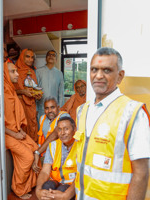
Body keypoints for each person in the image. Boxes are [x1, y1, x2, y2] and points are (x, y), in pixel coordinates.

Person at [74, 47, 150, 200]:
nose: (98, 76)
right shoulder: (82, 110)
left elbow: (141, 173)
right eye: (94, 69)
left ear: (120, 76)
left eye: (107, 70)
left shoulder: (133, 113)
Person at [4, 60, 38, 199]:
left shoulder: (10, 88)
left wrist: (19, 131)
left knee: (35, 147)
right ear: (5, 73)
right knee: (28, 156)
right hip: (6, 135)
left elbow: (13, 116)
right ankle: (18, 189)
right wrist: (14, 134)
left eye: (17, 70)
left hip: (15, 132)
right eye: (13, 71)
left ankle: (28, 185)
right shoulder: (3, 92)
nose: (17, 74)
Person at [36, 117, 76, 200]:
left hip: (73, 184)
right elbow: (45, 171)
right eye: (59, 129)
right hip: (56, 181)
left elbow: (82, 176)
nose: (62, 133)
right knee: (46, 188)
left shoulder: (81, 145)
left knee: (62, 190)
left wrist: (65, 195)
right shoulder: (53, 145)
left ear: (74, 129)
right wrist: (38, 190)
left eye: (66, 129)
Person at [32, 96, 70, 173]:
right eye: (47, 108)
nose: (50, 111)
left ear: (58, 107)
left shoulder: (64, 116)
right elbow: (41, 137)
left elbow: (56, 133)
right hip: (47, 154)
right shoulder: (42, 118)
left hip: (63, 155)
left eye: (52, 107)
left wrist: (37, 152)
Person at [15, 49, 42, 142]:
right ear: (22, 57)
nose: (30, 59)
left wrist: (37, 95)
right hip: (20, 104)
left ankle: (33, 148)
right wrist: (23, 91)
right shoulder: (14, 70)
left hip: (31, 105)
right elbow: (9, 91)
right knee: (23, 126)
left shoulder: (32, 71)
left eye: (32, 57)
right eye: (27, 57)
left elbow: (34, 88)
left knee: (33, 125)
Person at [36, 50, 64, 120]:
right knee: (42, 127)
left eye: (53, 55)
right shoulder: (38, 71)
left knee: (53, 127)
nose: (51, 56)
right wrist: (35, 108)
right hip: (41, 107)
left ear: (56, 60)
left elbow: (61, 93)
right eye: (49, 55)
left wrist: (60, 108)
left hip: (54, 108)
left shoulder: (59, 73)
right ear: (46, 59)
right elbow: (35, 90)